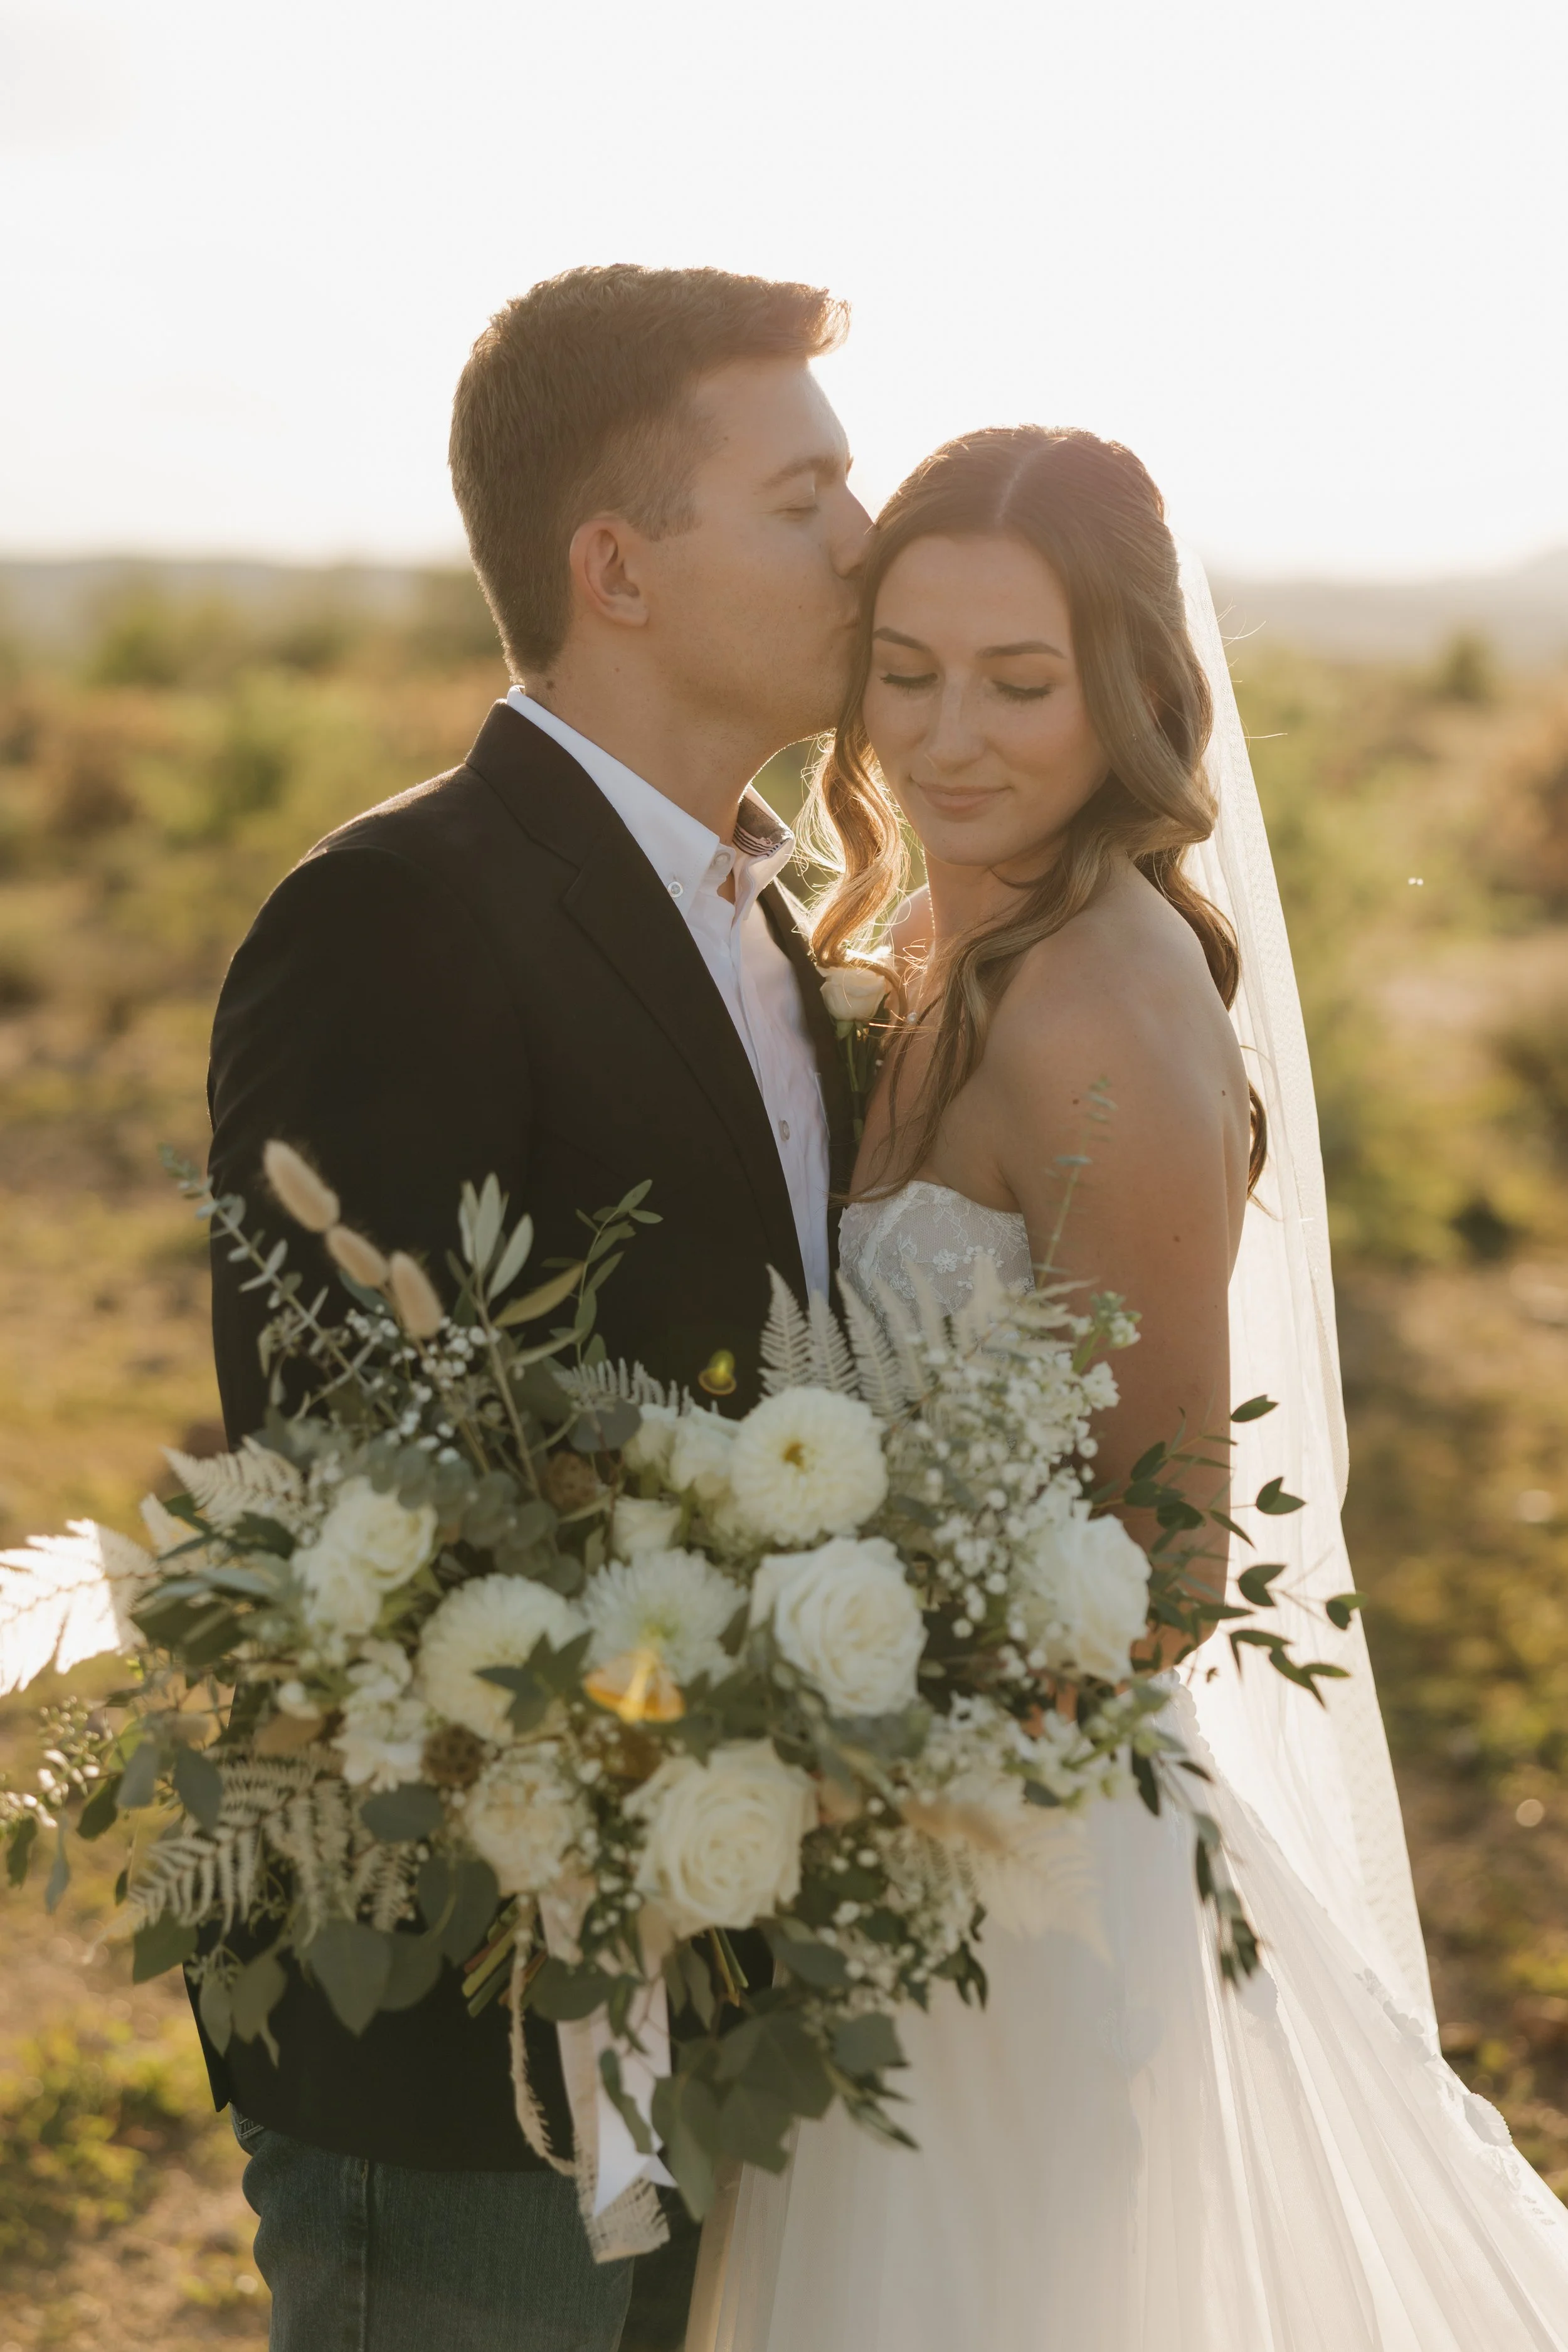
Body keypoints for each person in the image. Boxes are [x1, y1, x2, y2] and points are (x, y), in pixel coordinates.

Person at [693, 426, 1568, 2351]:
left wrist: (852, 1727)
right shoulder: (920, 938)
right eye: (904, 672)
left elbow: (1167, 1553)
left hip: (1011, 1860)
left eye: (1020, 681)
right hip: (866, 1826)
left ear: (1131, 692)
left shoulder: (1106, 1000)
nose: (947, 738)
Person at [201, 263, 869, 2352]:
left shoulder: (793, 936)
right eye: (804, 497)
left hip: (741, 1981)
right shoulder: (397, 915)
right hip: (472, 2031)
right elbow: (359, 1502)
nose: (866, 538)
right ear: (619, 565)